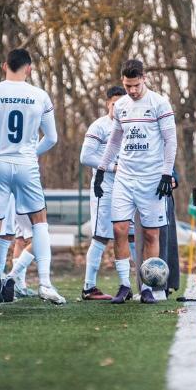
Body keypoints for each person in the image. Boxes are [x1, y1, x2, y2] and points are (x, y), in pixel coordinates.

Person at [0, 48, 61, 313]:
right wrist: (31, 153)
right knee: (39, 221)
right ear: (29, 68)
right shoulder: (40, 95)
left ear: (4, 65)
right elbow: (52, 138)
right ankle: (45, 283)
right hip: (26, 164)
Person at [94, 59, 177, 304]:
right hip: (125, 177)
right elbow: (114, 140)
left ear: (144, 78)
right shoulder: (120, 105)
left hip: (151, 179)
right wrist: (102, 169)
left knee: (151, 235)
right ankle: (124, 285)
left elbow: (170, 140)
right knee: (119, 230)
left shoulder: (159, 103)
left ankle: (148, 288)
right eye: (127, 86)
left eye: (135, 85)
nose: (131, 90)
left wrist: (166, 173)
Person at [79, 85, 138, 301]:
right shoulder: (99, 126)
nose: (119, 108)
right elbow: (85, 157)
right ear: (108, 104)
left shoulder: (132, 126)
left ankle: (142, 285)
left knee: (132, 235)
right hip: (105, 188)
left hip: (129, 188)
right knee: (102, 236)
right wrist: (113, 167)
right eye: (115, 104)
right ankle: (89, 287)